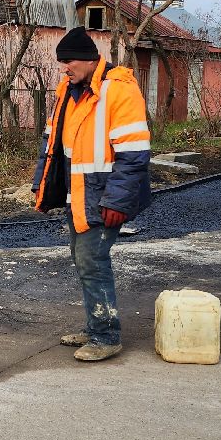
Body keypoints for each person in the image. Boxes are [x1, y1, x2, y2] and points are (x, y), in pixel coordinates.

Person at [33, 27, 152, 363]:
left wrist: (116, 202)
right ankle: (96, 324)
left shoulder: (118, 91)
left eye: (67, 61)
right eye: (61, 63)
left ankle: (106, 336)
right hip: (80, 195)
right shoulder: (69, 90)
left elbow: (133, 155)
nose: (63, 68)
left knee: (91, 261)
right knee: (83, 261)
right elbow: (52, 145)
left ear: (87, 60)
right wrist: (42, 186)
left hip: (103, 196)